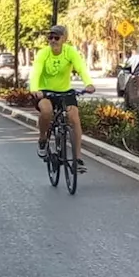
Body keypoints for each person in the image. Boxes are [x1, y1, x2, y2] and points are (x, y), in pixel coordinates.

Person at [30, 25, 95, 171]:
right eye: (50, 37)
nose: (53, 40)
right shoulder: (43, 54)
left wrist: (89, 83)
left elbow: (81, 68)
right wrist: (35, 89)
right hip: (45, 92)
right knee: (46, 111)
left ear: (64, 39)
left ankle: (77, 159)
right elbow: (35, 72)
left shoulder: (70, 52)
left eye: (56, 37)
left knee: (74, 117)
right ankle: (42, 139)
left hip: (65, 92)